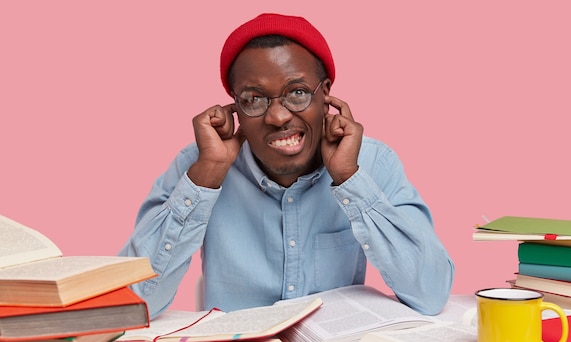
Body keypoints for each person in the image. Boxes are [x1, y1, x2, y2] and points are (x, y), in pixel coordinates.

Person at [119, 13, 454, 319]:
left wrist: (350, 181)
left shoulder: (373, 164)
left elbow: (432, 292)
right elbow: (132, 303)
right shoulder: (198, 165)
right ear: (234, 107)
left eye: (297, 93)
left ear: (326, 97)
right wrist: (205, 178)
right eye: (254, 99)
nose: (278, 116)